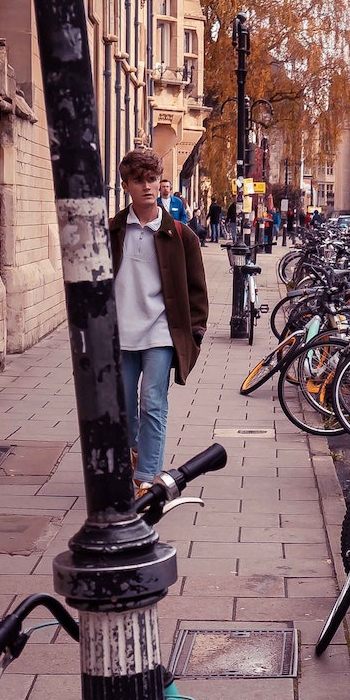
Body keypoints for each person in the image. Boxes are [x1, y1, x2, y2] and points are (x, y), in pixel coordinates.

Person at [109, 148, 208, 491]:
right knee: (123, 406)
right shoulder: (112, 231)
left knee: (153, 401)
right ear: (126, 185)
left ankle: (147, 479)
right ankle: (135, 449)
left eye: (152, 179)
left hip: (161, 333)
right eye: (139, 181)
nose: (147, 187)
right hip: (121, 333)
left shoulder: (181, 235)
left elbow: (198, 290)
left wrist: (194, 332)